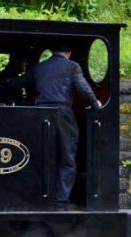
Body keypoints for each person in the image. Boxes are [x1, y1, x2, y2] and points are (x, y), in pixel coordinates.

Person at [34, 44, 102, 209]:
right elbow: (83, 88)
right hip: (62, 114)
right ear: (69, 53)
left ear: (52, 51)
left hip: (39, 114)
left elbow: (22, 81)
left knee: (45, 158)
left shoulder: (40, 67)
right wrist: (96, 104)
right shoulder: (72, 66)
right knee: (67, 158)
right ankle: (61, 201)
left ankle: (42, 198)